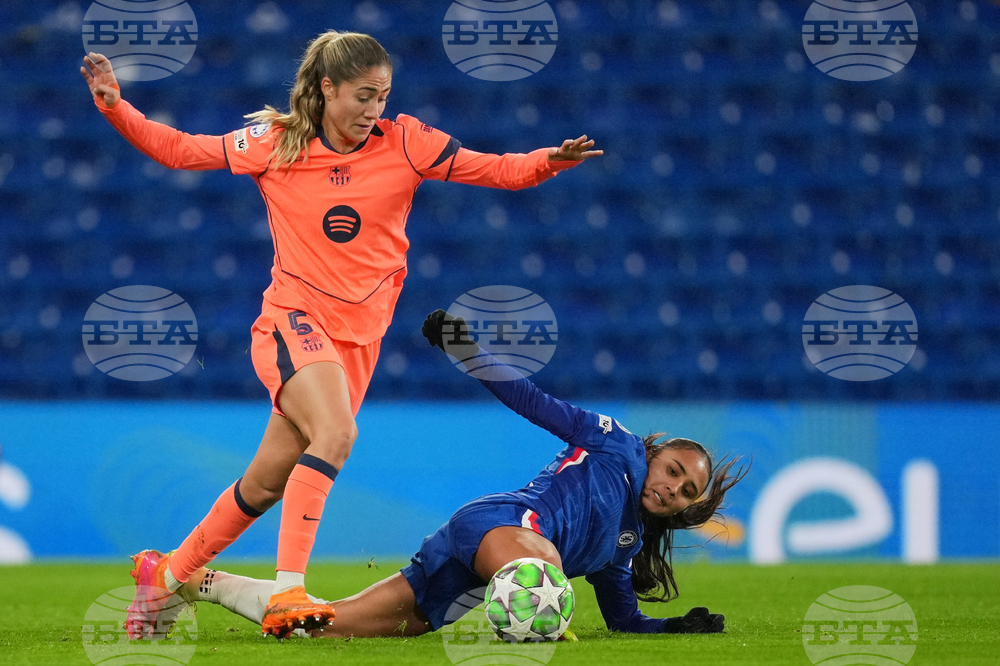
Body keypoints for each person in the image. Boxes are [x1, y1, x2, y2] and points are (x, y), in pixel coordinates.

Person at [80, 31, 602, 639]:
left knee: (266, 482)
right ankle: (287, 589)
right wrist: (116, 104)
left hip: (360, 340)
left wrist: (549, 161)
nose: (374, 110)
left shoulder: (407, 141)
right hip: (292, 320)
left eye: (382, 96)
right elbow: (178, 150)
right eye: (362, 96)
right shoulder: (274, 144)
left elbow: (496, 171)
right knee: (335, 433)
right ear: (327, 89)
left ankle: (165, 578)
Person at [169, 309, 746, 638]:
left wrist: (677, 628)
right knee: (542, 572)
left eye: (686, 493)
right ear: (658, 453)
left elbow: (624, 622)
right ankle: (531, 612)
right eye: (673, 471)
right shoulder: (616, 444)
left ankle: (200, 583)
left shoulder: (624, 548)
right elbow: (534, 401)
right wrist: (466, 350)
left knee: (319, 625)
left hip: (464, 575)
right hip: (499, 526)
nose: (671, 488)